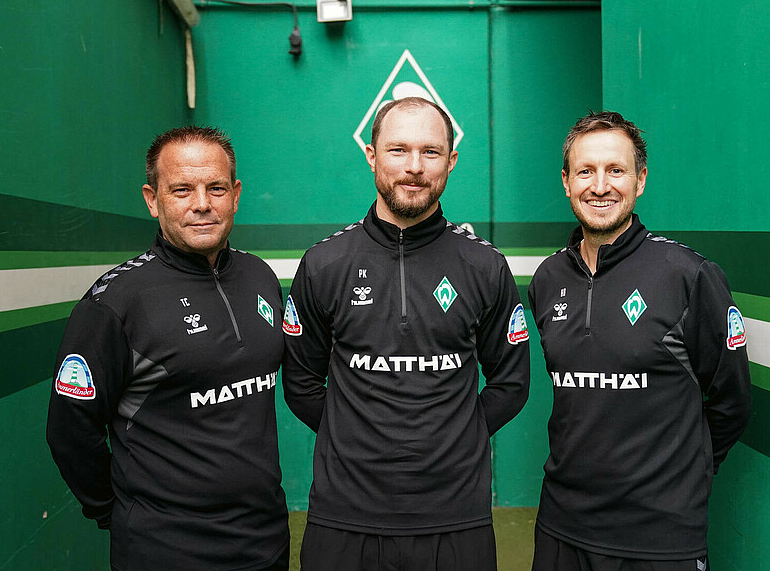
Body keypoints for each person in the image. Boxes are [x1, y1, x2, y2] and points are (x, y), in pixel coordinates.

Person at [281, 96, 531, 571]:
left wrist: (454, 437)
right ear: (372, 155)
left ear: (451, 161)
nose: (414, 167)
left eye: (430, 152)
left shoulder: (484, 266)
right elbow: (301, 384)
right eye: (398, 150)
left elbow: (511, 385)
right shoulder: (323, 264)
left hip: (456, 518)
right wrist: (351, 435)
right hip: (344, 518)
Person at [46, 126, 289, 571]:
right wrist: (118, 512)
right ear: (152, 199)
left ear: (235, 194)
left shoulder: (261, 278)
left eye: (216, 188)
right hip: (164, 551)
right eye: (181, 190)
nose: (201, 204)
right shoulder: (116, 302)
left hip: (265, 542)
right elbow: (69, 432)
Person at [528, 111, 752, 570]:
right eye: (586, 171)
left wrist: (680, 479)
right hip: (561, 529)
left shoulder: (689, 276)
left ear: (640, 180)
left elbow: (731, 403)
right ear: (566, 182)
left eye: (616, 170)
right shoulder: (548, 279)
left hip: (660, 537)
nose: (600, 185)